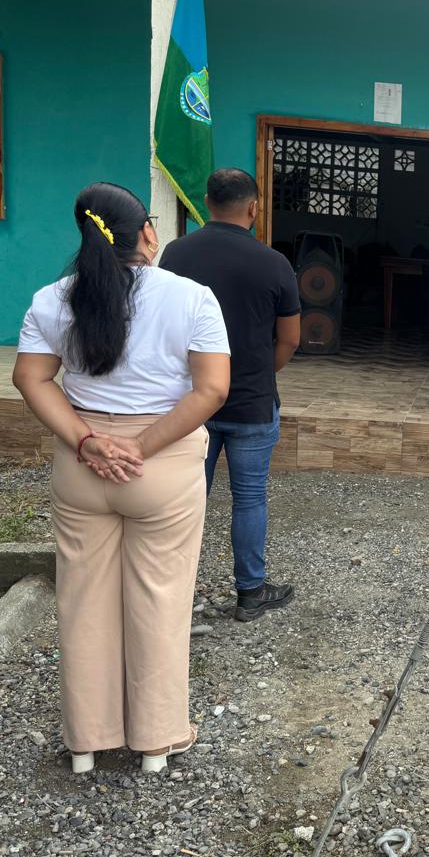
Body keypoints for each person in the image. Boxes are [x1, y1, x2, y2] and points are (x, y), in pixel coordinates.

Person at [12, 182, 231, 774]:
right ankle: (156, 741)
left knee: (81, 601)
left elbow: (30, 378)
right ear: (148, 234)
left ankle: (85, 742)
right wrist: (138, 447)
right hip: (160, 462)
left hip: (82, 460)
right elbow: (212, 389)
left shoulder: (52, 300)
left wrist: (87, 442)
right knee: (160, 598)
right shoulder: (191, 298)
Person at [161, 168, 301, 623]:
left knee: (186, 496)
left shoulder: (176, 254)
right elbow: (290, 339)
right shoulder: (274, 263)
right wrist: (259, 373)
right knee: (250, 497)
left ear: (206, 202)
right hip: (252, 403)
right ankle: (251, 592)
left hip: (191, 402)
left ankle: (172, 593)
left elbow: (162, 323)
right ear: (254, 207)